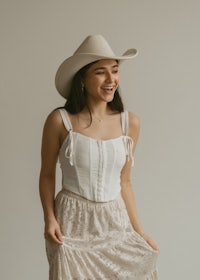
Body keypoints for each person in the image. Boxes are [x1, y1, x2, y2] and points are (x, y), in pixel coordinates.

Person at [39, 34, 159, 280]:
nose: (111, 79)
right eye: (100, 72)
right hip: (71, 223)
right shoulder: (59, 121)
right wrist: (49, 219)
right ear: (82, 79)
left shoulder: (130, 123)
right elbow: (47, 174)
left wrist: (140, 231)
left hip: (114, 222)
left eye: (114, 71)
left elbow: (125, 182)